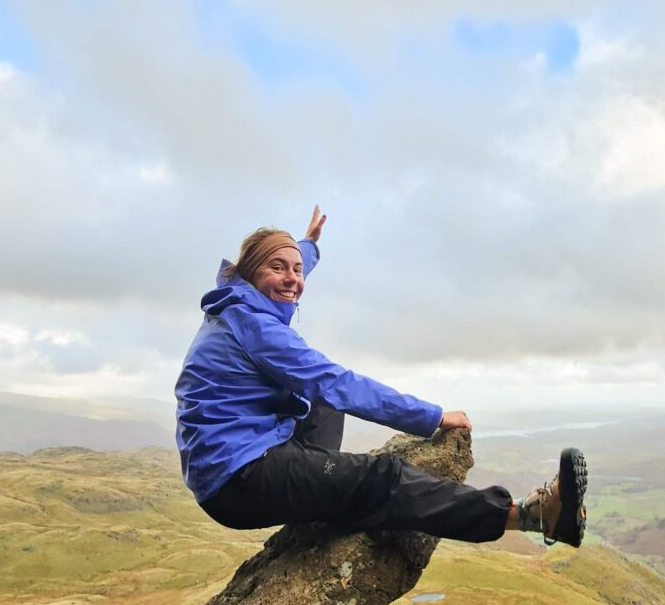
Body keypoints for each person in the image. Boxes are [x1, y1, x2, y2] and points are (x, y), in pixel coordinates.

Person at [175, 207, 587, 547]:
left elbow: (283, 272)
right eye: (279, 267)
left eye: (298, 270)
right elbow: (341, 384)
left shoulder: (237, 304)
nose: (293, 279)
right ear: (251, 273)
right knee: (381, 476)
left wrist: (310, 246)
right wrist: (433, 417)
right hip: (238, 479)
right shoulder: (258, 328)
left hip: (236, 461)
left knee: (317, 403)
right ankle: (534, 516)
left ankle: (323, 494)